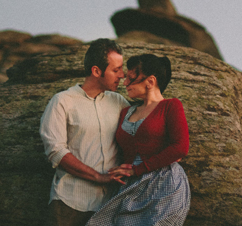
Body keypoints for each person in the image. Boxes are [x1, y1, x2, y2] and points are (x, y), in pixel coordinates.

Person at [87, 53, 191, 226]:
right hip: (130, 186)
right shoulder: (126, 112)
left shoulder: (170, 106)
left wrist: (137, 169)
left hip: (164, 184)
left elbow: (180, 147)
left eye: (130, 78)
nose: (125, 82)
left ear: (150, 81)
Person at [40, 39, 132, 226]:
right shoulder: (62, 102)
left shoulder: (120, 102)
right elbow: (55, 151)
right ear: (96, 71)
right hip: (69, 204)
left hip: (110, 205)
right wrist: (98, 176)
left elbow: (137, 136)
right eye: (116, 70)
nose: (122, 75)